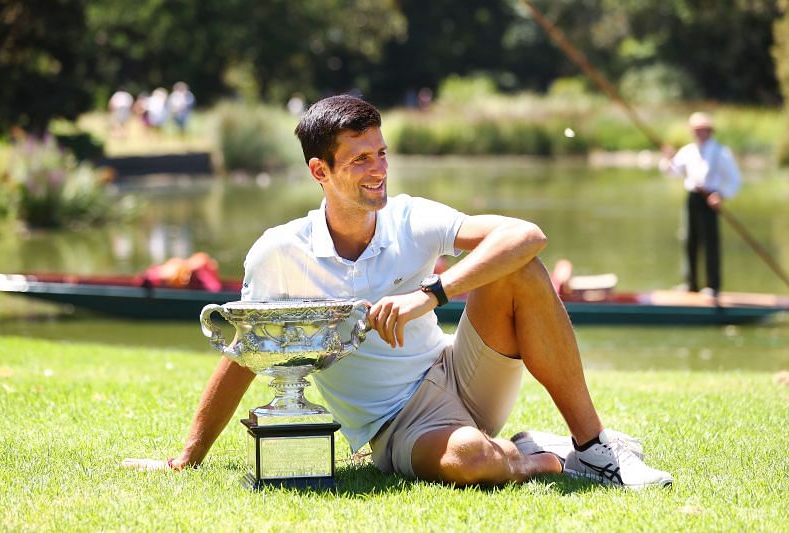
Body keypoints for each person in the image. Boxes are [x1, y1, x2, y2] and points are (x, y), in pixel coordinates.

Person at [124, 95, 672, 489]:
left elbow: (527, 234)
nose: (378, 170)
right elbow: (244, 356)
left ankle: (593, 449)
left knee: (520, 266)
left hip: (460, 371)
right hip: (398, 423)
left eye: (381, 153)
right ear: (321, 171)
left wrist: (433, 293)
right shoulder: (278, 253)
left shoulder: (411, 216)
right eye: (360, 159)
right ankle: (535, 454)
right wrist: (187, 458)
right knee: (475, 464)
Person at [661, 112, 741, 296]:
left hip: (711, 198)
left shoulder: (721, 152)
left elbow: (734, 179)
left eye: (703, 130)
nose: (699, 133)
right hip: (693, 197)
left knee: (710, 242)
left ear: (710, 131)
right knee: (690, 240)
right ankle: (691, 284)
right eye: (696, 130)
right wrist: (667, 158)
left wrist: (721, 195)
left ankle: (713, 286)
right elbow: (672, 171)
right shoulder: (688, 151)